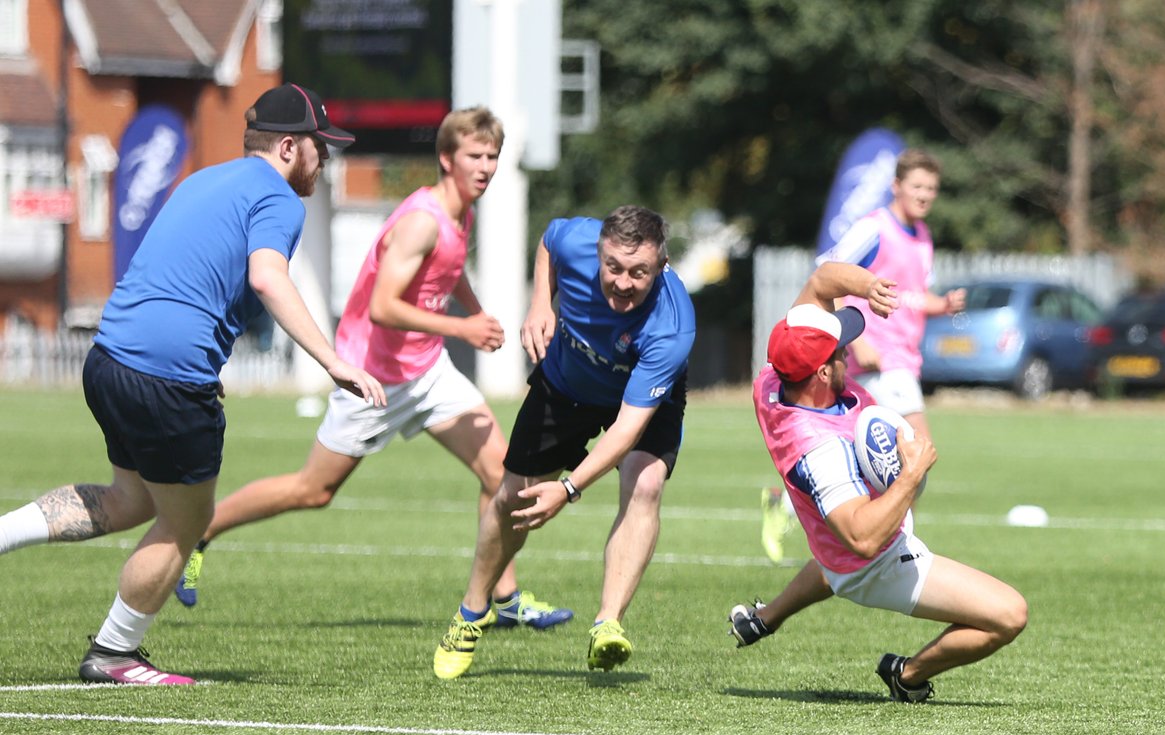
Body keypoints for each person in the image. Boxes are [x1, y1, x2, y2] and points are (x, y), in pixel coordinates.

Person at [0, 83, 387, 684]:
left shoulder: (202, 179)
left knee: (131, 499)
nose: (325, 159)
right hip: (167, 376)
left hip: (108, 358)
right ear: (289, 147)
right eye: (320, 147)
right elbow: (266, 277)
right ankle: (114, 654)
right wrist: (333, 360)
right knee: (186, 521)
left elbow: (179, 274)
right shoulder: (281, 201)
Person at [171, 107, 572, 630]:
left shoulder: (460, 213)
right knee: (313, 490)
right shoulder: (422, 221)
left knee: (501, 473)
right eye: (475, 155)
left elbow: (447, 272)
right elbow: (384, 306)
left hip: (427, 371)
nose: (486, 166)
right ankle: (199, 532)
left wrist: (472, 309)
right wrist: (464, 330)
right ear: (447, 159)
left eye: (493, 156)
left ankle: (507, 598)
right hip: (373, 377)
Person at [730, 261, 1026, 702]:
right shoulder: (821, 451)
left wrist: (868, 287)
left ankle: (765, 617)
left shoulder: (777, 374)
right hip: (875, 567)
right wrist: (910, 475)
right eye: (841, 350)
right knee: (1008, 614)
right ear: (823, 373)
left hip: (835, 551)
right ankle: (906, 674)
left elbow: (821, 279)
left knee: (828, 558)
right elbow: (862, 539)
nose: (850, 351)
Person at [433, 205, 695, 679]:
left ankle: (607, 623)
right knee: (513, 499)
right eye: (613, 266)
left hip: (635, 402)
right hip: (566, 384)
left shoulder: (672, 327)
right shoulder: (576, 242)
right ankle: (472, 613)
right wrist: (539, 302)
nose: (622, 282)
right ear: (598, 253)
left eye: (639, 272)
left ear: (662, 265)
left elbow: (627, 429)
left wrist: (570, 488)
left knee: (645, 484)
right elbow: (549, 240)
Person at [760, 148, 965, 564]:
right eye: (917, 187)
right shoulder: (874, 228)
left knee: (872, 455)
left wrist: (940, 305)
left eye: (931, 189)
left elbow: (906, 295)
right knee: (916, 450)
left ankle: (785, 503)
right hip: (878, 360)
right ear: (896, 186)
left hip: (904, 360)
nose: (925, 195)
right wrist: (855, 342)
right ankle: (901, 548)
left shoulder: (922, 235)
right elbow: (829, 271)